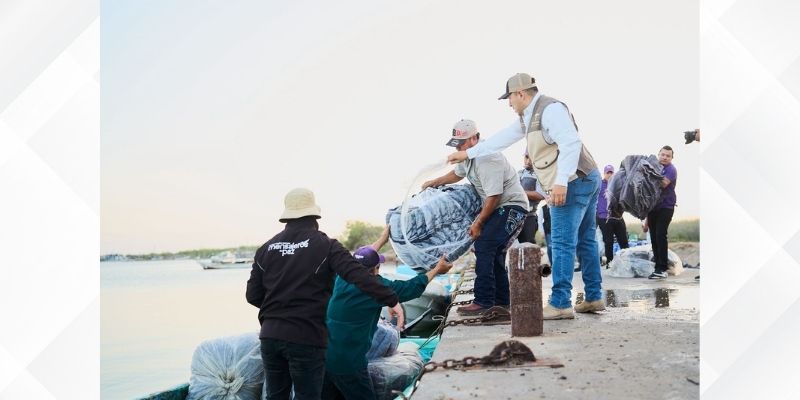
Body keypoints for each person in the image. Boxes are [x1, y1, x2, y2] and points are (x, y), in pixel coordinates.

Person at [447, 73, 604, 319]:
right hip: (586, 177)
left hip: (573, 180)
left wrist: (561, 182)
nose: (509, 104)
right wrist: (467, 154)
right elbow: (500, 140)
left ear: (520, 94)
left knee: (562, 242)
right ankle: (594, 296)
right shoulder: (529, 118)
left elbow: (571, 143)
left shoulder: (550, 109)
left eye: (509, 98)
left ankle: (561, 303)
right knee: (586, 239)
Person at [245, 188, 404, 400]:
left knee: (276, 396)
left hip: (270, 335)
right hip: (306, 336)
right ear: (315, 217)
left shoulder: (266, 249)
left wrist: (280, 311)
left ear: (287, 217)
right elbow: (359, 275)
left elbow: (252, 295)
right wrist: (391, 299)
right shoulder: (326, 245)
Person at [322, 226, 453, 400]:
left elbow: (358, 261)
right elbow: (411, 287)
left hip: (323, 357)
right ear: (375, 269)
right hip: (348, 363)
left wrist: (382, 240)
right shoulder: (375, 288)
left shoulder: (341, 278)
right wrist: (437, 269)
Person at [423, 119, 529, 315]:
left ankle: (483, 301)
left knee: (484, 245)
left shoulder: (487, 158)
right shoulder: (467, 156)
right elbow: (456, 174)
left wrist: (478, 222)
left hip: (511, 206)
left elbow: (494, 195)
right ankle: (502, 302)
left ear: (475, 139)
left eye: (461, 143)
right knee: (494, 252)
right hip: (499, 206)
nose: (458, 148)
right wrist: (434, 182)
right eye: (456, 144)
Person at [643, 146, 678, 280]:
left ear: (671, 158)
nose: (664, 157)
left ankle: (662, 268)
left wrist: (646, 177)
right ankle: (657, 267)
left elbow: (663, 183)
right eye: (662, 155)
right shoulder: (654, 167)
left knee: (660, 235)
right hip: (653, 207)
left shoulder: (671, 169)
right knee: (653, 237)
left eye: (668, 156)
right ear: (658, 155)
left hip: (666, 207)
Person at [596, 164, 629, 264]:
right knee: (608, 241)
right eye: (608, 173)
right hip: (604, 217)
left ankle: (627, 262)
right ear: (604, 174)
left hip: (618, 217)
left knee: (624, 240)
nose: (609, 175)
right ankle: (609, 263)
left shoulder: (618, 184)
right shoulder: (599, 184)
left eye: (611, 172)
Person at [517, 152, 546, 244]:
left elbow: (541, 195)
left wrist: (520, 192)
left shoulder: (540, 174)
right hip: (512, 215)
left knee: (528, 247)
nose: (528, 161)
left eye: (532, 158)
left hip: (529, 217)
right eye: (526, 157)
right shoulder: (518, 173)